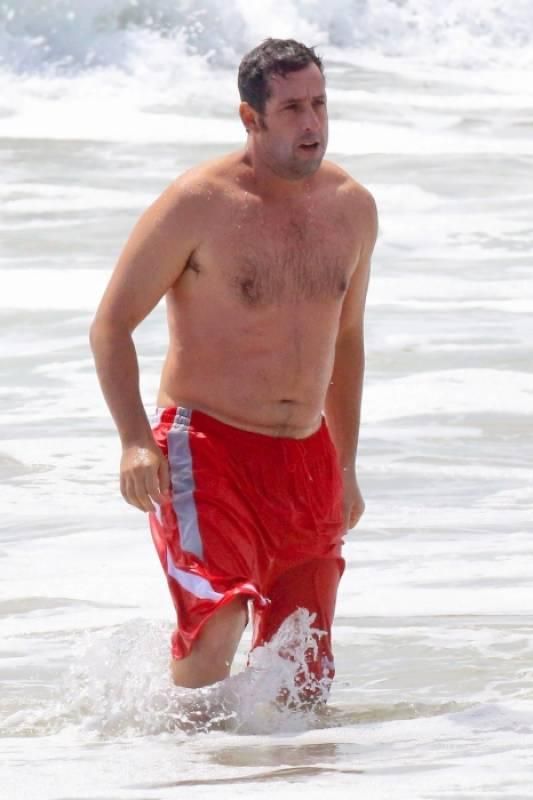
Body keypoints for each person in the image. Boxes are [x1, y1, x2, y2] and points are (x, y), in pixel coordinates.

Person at [90, 38, 377, 705]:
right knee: (216, 624)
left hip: (306, 457)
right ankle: (187, 757)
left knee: (302, 673)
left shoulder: (352, 208)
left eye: (319, 104)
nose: (312, 123)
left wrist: (345, 464)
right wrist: (133, 441)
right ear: (250, 118)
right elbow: (111, 325)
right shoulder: (199, 203)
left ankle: (273, 765)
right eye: (292, 109)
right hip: (207, 447)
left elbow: (347, 338)